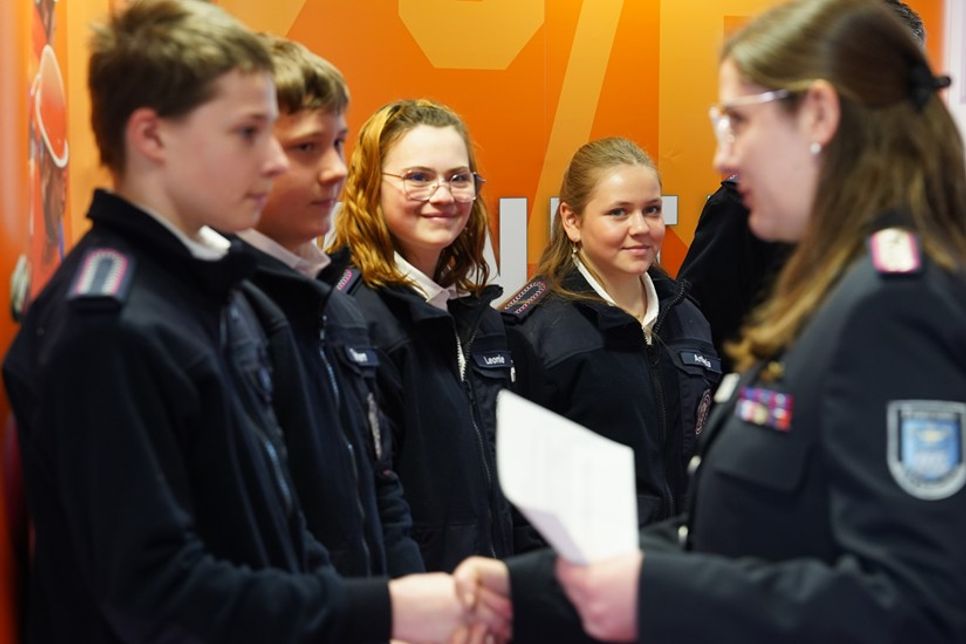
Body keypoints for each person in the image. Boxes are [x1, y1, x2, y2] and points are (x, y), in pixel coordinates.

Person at [455, 0, 966, 642]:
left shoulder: (892, 309)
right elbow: (738, 529)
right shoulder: (829, 291)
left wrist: (654, 594)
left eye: (738, 123)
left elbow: (917, 603)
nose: (723, 158)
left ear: (818, 116)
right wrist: (541, 588)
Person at [1, 1, 468, 641]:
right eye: (247, 133)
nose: (275, 163)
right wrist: (381, 611)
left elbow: (276, 524)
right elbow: (155, 593)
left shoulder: (200, 293)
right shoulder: (111, 323)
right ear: (151, 136)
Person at [236, 34, 424, 579]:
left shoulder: (336, 308)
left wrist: (406, 601)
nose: (336, 170)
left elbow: (381, 483)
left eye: (337, 144)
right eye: (305, 148)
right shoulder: (224, 311)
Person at [323, 99, 521, 573]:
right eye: (417, 177)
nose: (443, 194)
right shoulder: (350, 316)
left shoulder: (480, 319)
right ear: (370, 186)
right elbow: (357, 498)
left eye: (458, 177)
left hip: (488, 593)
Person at [678, 0, 924, 373]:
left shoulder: (920, 244)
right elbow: (699, 342)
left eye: (742, 121)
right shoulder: (747, 209)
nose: (724, 159)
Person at [501, 137, 720, 527]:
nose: (641, 228)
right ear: (572, 220)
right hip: (590, 571)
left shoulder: (686, 315)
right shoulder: (536, 331)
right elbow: (519, 492)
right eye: (618, 213)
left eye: (652, 210)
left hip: (683, 562)